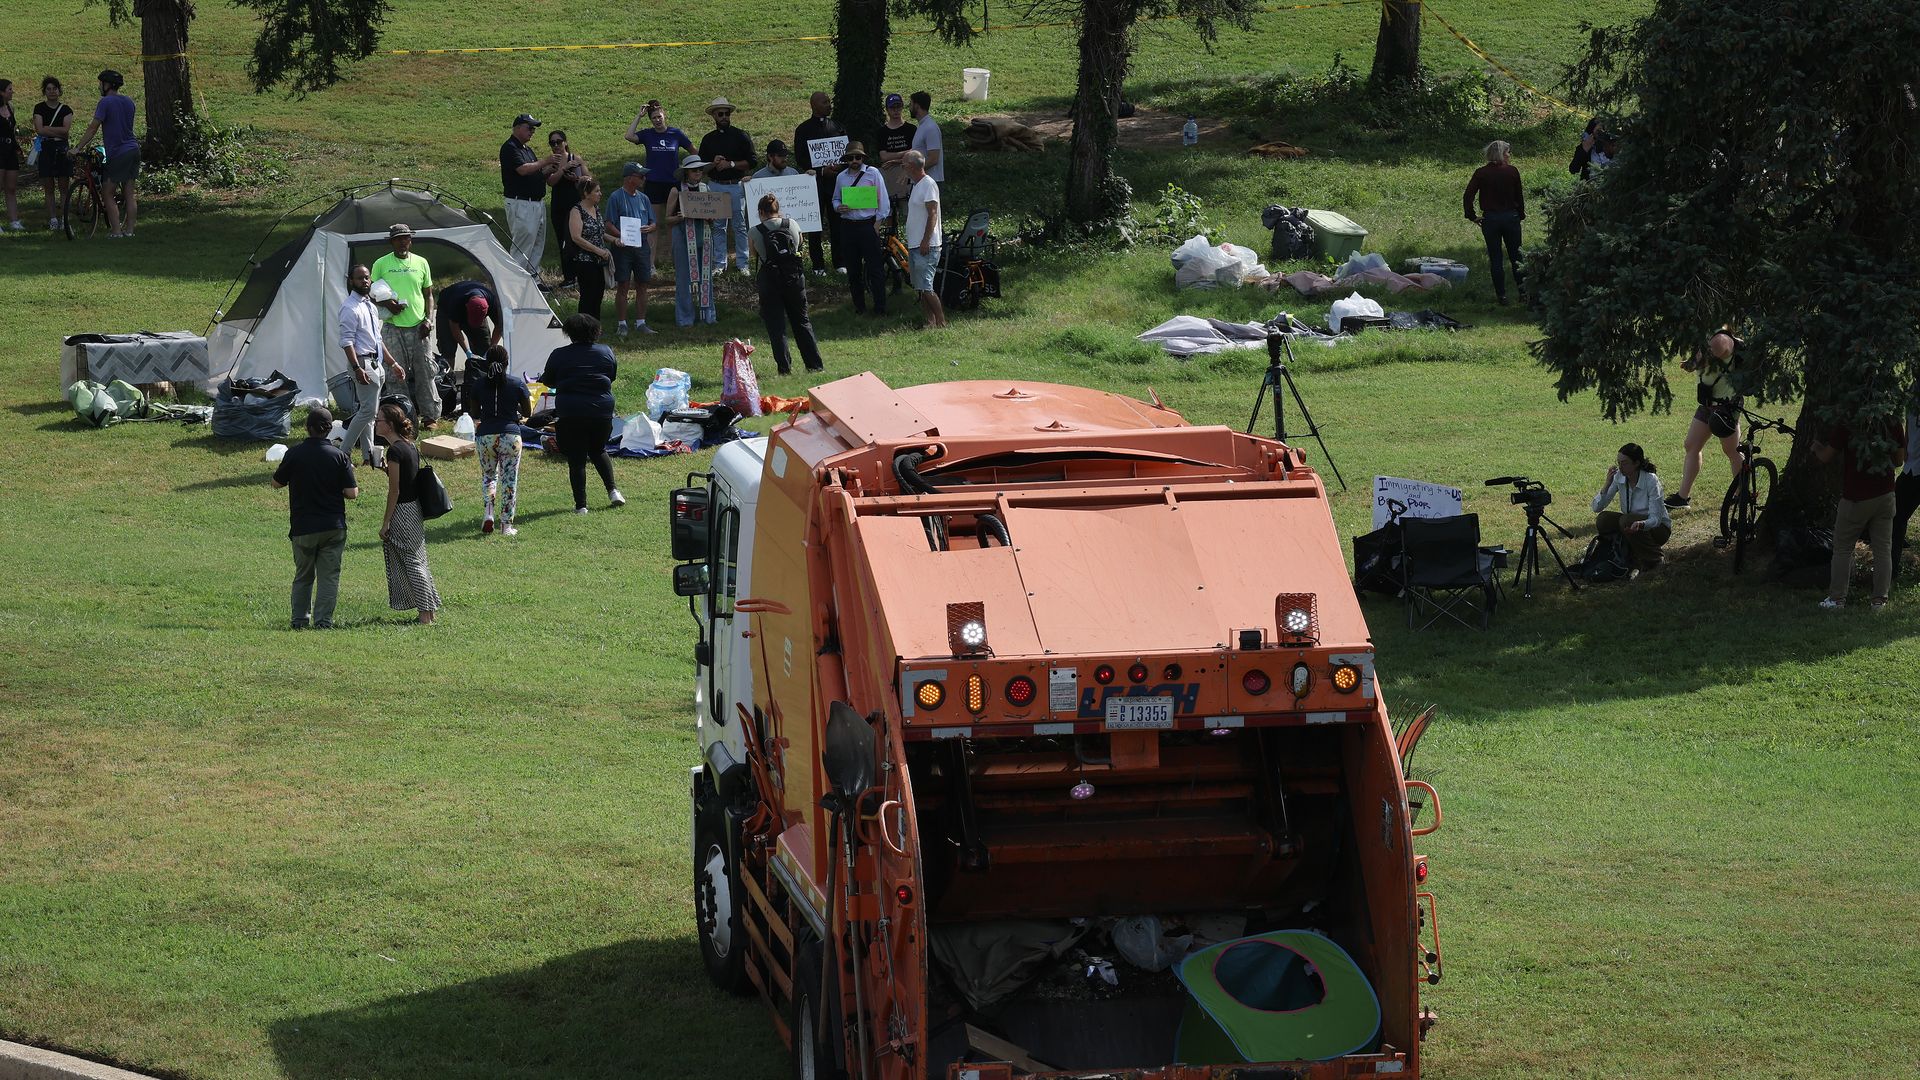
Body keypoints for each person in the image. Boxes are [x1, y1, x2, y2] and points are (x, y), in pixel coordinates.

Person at [271, 406, 358, 630]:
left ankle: (299, 620)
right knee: (329, 577)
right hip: (333, 526)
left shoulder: (294, 453)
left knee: (303, 576)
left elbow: (276, 483)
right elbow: (352, 493)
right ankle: (323, 622)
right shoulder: (339, 456)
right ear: (329, 430)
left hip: (303, 526)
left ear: (307, 428)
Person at [1814, 414, 1907, 610]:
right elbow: (1899, 460)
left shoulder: (1848, 422)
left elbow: (1826, 456)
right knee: (1883, 549)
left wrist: (1816, 447)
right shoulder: (1892, 422)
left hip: (1856, 497)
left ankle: (1837, 598)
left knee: (1842, 547)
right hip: (1885, 495)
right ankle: (1879, 600)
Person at [535, 313, 624, 514]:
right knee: (598, 449)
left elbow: (548, 380)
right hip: (601, 410)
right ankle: (613, 491)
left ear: (569, 333)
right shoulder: (606, 351)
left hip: (571, 411)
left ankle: (581, 506)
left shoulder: (559, 354)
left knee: (576, 458)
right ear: (596, 332)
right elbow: (612, 376)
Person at [374, 404, 442, 624]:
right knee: (419, 559)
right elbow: (406, 479)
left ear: (390, 425)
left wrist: (386, 523)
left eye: (379, 420)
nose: (376, 423)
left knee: (412, 562)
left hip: (402, 511)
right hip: (415, 509)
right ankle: (429, 612)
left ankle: (424, 615)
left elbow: (395, 490)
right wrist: (387, 470)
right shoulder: (409, 446)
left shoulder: (394, 451)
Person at [1665, 331, 1746, 509]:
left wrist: (1692, 362)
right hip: (1707, 404)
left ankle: (1743, 494)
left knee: (1731, 450)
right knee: (1691, 445)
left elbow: (1707, 358)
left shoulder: (1721, 339)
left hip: (1726, 407)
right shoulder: (1707, 338)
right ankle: (1682, 497)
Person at [335, 264, 406, 467]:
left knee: (369, 411)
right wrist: (357, 368)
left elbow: (377, 339)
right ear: (351, 281)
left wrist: (393, 363)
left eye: (367, 278)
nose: (365, 281)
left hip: (377, 362)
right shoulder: (350, 308)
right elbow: (346, 341)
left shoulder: (370, 306)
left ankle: (369, 457)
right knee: (368, 412)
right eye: (360, 278)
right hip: (363, 363)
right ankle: (343, 454)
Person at [369, 223, 438, 426]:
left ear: (410, 240)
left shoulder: (421, 262)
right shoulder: (381, 264)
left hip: (419, 326)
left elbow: (429, 294)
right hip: (392, 326)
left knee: (425, 369)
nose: (402, 242)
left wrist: (429, 320)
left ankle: (430, 415)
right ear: (392, 242)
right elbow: (371, 293)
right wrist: (387, 303)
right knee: (395, 373)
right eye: (398, 239)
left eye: (405, 238)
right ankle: (402, 416)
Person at [750, 193, 824, 376]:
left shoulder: (755, 231)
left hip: (770, 280)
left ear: (761, 212)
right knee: (802, 322)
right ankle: (814, 365)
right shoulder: (793, 224)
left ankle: (784, 369)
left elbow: (754, 254)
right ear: (778, 210)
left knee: (776, 326)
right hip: (794, 278)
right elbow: (800, 244)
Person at [466, 344, 530, 537]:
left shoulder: (478, 384)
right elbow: (528, 412)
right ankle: (506, 525)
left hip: (485, 436)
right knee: (509, 480)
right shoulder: (517, 383)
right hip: (511, 437)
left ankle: (488, 514)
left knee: (489, 477)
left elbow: (474, 412)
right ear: (507, 363)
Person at [626, 100, 694, 271]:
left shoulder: (675, 134)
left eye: (659, 117)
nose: (657, 120)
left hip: (673, 184)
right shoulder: (648, 135)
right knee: (653, 224)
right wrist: (639, 116)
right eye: (654, 118)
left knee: (674, 222)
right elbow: (629, 136)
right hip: (654, 184)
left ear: (665, 116)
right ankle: (650, 264)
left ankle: (676, 261)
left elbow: (693, 150)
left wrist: (689, 170)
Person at [74, 70, 137, 238]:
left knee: (107, 192)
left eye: (100, 83)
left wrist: (78, 147)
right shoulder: (129, 101)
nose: (99, 86)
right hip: (133, 150)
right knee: (129, 192)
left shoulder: (105, 102)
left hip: (118, 153)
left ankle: (116, 231)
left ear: (107, 85)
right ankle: (129, 231)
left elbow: (93, 128)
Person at [1590, 442, 1671, 572]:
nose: (1620, 467)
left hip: (1659, 529)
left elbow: (1656, 518)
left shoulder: (1651, 480)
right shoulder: (1619, 478)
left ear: (1637, 463)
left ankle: (1655, 559)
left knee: (1626, 520)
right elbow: (1596, 508)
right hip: (1631, 523)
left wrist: (1641, 524)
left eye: (1625, 463)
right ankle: (1627, 553)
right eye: (1619, 462)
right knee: (1603, 519)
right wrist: (1607, 484)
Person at [500, 113, 559, 286]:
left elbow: (535, 173)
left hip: (536, 203)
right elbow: (523, 170)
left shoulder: (526, 149)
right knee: (523, 245)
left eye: (534, 128)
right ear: (517, 127)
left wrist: (549, 169)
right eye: (529, 128)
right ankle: (515, 283)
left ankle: (533, 280)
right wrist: (545, 161)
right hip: (521, 203)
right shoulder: (510, 147)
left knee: (537, 244)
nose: (532, 132)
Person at [698, 97, 755, 275]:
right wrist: (713, 163)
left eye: (726, 114)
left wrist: (731, 164)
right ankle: (719, 263)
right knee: (718, 227)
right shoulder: (708, 140)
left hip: (736, 185)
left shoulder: (741, 135)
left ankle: (743, 263)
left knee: (740, 226)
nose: (724, 117)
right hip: (716, 186)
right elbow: (701, 168)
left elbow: (752, 161)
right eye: (720, 114)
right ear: (714, 116)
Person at [832, 142, 891, 316]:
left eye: (858, 157)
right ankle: (859, 307)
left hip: (868, 224)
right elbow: (835, 198)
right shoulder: (841, 177)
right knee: (853, 270)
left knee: (875, 269)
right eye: (851, 158)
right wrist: (838, 207)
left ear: (863, 158)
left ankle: (880, 308)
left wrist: (877, 223)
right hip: (848, 226)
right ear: (847, 160)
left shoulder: (873, 173)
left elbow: (884, 201)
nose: (855, 161)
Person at [1463, 140, 1524, 305]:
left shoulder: (1481, 173)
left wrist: (1472, 215)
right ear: (1503, 155)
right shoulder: (1512, 172)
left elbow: (1468, 195)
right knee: (1516, 257)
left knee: (1496, 258)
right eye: (1508, 153)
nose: (1509, 156)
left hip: (1491, 219)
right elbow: (1519, 195)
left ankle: (1502, 296)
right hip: (1510, 217)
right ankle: (1523, 293)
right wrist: (1521, 215)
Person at [794, 91, 847, 277]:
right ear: (814, 105)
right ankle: (818, 265)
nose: (829, 105)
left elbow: (845, 153)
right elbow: (801, 157)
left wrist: (839, 167)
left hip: (835, 184)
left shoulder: (838, 127)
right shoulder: (803, 130)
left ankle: (840, 261)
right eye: (825, 102)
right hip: (814, 184)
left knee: (837, 223)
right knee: (815, 225)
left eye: (829, 101)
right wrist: (821, 171)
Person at [666, 156, 718, 327]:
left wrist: (711, 218)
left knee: (705, 276)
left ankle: (708, 315)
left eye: (700, 169)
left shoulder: (706, 188)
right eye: (694, 170)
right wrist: (680, 217)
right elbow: (667, 219)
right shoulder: (676, 190)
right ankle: (685, 318)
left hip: (704, 234)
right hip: (682, 234)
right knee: (684, 277)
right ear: (686, 172)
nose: (698, 172)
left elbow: (714, 215)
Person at [606, 162, 657, 336]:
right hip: (623, 247)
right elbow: (608, 223)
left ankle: (641, 322)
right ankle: (622, 323)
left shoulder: (644, 198)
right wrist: (621, 236)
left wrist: (650, 228)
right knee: (623, 284)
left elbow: (653, 222)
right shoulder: (615, 197)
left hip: (641, 245)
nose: (644, 178)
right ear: (629, 178)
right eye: (640, 175)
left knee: (643, 284)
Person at [902, 149, 946, 329]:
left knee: (927, 286)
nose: (902, 166)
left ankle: (941, 322)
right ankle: (930, 322)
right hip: (916, 244)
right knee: (920, 287)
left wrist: (926, 240)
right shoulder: (917, 185)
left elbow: (932, 214)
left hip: (926, 245)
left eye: (904, 163)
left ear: (911, 166)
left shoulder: (928, 184)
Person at [545, 129, 590, 289]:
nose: (556, 145)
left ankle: (580, 275)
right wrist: (563, 169)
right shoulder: (551, 162)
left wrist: (576, 178)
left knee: (575, 240)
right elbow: (550, 182)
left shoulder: (575, 158)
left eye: (558, 142)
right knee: (562, 242)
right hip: (558, 206)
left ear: (565, 142)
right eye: (552, 143)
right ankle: (569, 276)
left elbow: (588, 180)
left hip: (574, 205)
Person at [567, 176, 613, 324]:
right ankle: (583, 328)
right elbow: (576, 237)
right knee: (588, 296)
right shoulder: (576, 210)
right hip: (584, 261)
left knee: (598, 295)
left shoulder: (596, 209)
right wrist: (598, 251)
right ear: (586, 194)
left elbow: (599, 232)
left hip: (599, 261)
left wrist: (615, 240)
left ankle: (595, 328)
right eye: (597, 191)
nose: (600, 194)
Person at [32, 77, 74, 232]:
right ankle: (53, 219)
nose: (52, 92)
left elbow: (65, 131)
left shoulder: (66, 109)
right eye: (48, 89)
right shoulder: (39, 108)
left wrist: (47, 128)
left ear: (59, 90)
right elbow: (39, 130)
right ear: (44, 91)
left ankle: (64, 219)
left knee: (64, 186)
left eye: (54, 88)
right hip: (46, 148)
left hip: (61, 148)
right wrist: (55, 130)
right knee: (48, 187)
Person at [435, 279, 503, 364]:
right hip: (446, 309)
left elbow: (499, 326)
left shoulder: (492, 302)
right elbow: (454, 328)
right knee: (448, 350)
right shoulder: (456, 302)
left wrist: (491, 348)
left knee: (484, 348)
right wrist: (468, 351)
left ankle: (482, 375)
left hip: (472, 305)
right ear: (466, 307)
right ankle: (449, 376)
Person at [1895, 385, 1920, 566]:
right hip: (1912, 468)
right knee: (1896, 517)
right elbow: (1909, 425)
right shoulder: (1912, 394)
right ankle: (1891, 569)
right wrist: (1906, 452)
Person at [876, 93, 914, 203]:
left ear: (902, 107)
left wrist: (894, 159)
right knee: (889, 211)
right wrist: (906, 152)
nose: (896, 110)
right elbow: (883, 156)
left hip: (907, 171)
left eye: (898, 106)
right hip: (889, 173)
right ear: (887, 109)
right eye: (892, 107)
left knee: (907, 209)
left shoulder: (911, 129)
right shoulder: (882, 132)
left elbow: (915, 153)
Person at [909, 91, 945, 183]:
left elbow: (933, 159)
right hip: (922, 182)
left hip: (931, 182)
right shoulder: (922, 126)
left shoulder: (930, 128)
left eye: (911, 104)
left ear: (917, 106)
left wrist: (913, 171)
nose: (909, 108)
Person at [0, 80, 20, 231]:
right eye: (9, 89)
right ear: (1, 92)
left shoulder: (10, 107)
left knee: (11, 187)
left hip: (10, 150)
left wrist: (17, 147)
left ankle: (14, 221)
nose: (12, 92)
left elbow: (12, 131)